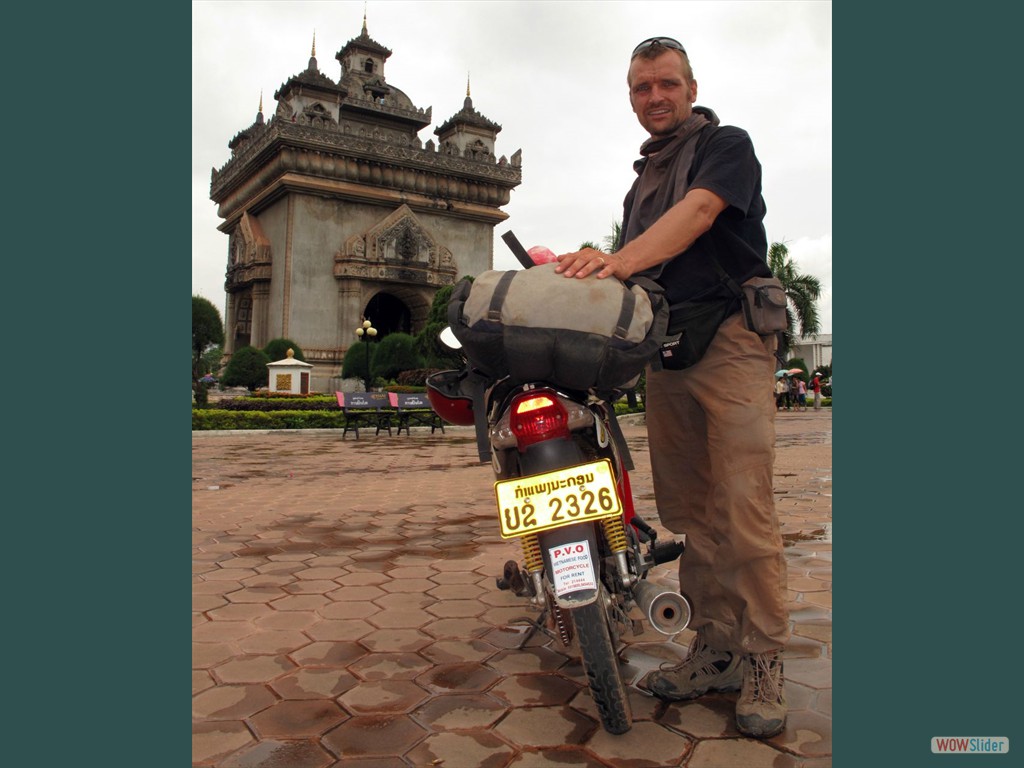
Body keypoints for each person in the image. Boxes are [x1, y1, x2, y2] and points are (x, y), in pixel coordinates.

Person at [555, 36, 788, 738]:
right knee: (693, 512)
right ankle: (715, 648)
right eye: (640, 88)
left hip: (732, 341)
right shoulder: (640, 182)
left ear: (689, 87)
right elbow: (639, 276)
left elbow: (697, 218)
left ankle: (765, 660)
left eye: (665, 84)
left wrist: (617, 261)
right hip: (671, 352)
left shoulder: (727, 145)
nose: (654, 97)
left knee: (745, 508)